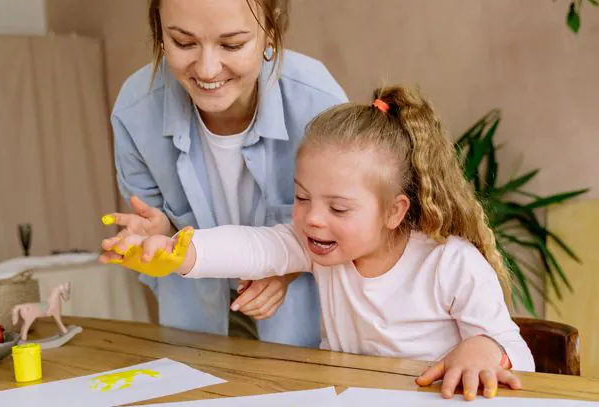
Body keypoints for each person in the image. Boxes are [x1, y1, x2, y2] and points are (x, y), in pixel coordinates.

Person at [102, 85, 536, 401]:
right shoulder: (319, 249)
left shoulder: (450, 264)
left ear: (394, 211)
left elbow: (518, 354)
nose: (311, 218)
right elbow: (255, 247)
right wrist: (178, 250)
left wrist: (483, 348)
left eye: (339, 209)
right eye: (302, 197)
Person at [102, 0, 347, 348]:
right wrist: (161, 234)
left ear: (270, 32)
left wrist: (286, 269)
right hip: (196, 322)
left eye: (232, 44)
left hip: (303, 325)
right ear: (160, 32)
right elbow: (161, 231)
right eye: (184, 43)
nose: (207, 69)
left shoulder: (317, 103)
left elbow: (350, 230)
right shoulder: (135, 110)